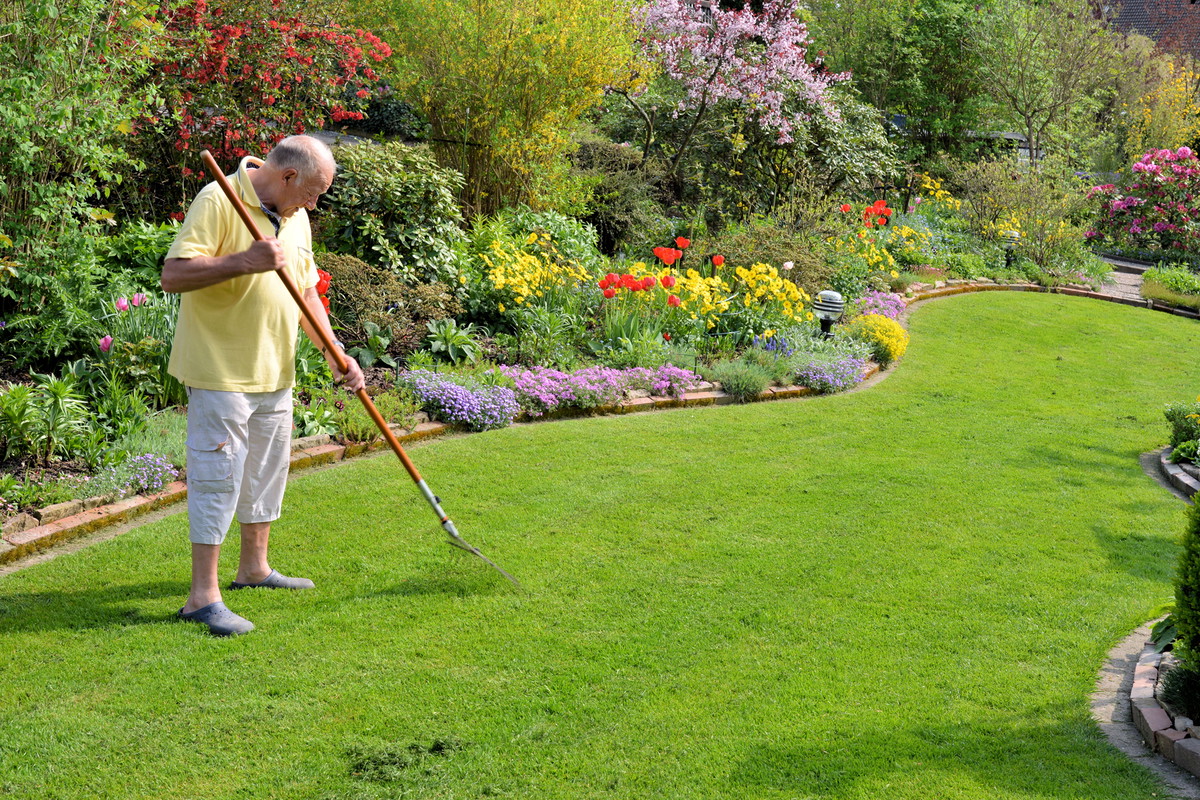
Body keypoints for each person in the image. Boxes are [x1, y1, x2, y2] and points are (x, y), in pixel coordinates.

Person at [161, 135, 364, 636]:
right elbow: (173, 275)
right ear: (289, 176)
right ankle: (201, 598)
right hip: (220, 371)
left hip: (275, 370)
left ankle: (253, 569)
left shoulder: (296, 217)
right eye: (315, 191)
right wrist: (244, 261)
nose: (316, 203)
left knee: (265, 475)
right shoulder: (217, 199)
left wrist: (335, 352)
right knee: (218, 479)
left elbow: (307, 291)